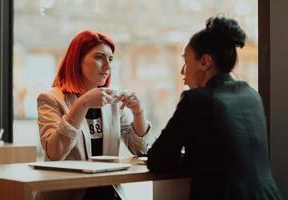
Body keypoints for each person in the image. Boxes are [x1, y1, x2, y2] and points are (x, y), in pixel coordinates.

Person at [147, 15, 283, 200]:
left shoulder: (196, 100)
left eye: (186, 62)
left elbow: (157, 160)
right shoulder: (252, 96)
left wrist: (186, 160)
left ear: (205, 62)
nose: (182, 72)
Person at [37, 29, 152, 200]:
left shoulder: (112, 98)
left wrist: (138, 111)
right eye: (99, 57)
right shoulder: (50, 99)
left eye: (110, 59)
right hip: (68, 194)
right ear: (77, 61)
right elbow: (55, 153)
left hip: (107, 191)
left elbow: (141, 149)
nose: (108, 66)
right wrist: (82, 103)